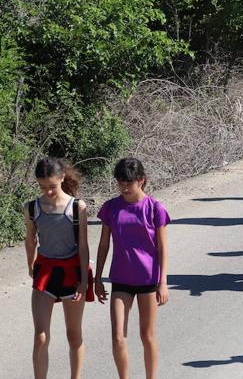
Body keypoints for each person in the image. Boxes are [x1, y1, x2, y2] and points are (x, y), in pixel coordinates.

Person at [94, 158, 171, 379]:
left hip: (148, 280)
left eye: (129, 182)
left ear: (141, 180)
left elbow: (163, 247)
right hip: (120, 279)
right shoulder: (111, 207)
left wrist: (163, 283)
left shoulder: (155, 208)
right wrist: (97, 278)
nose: (124, 187)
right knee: (118, 336)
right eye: (120, 182)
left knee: (147, 335)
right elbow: (103, 245)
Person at [25, 157, 90, 379]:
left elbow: (82, 246)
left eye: (52, 186)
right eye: (43, 187)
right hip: (45, 273)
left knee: (74, 335)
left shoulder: (77, 207)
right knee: (40, 336)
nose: (48, 191)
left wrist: (84, 280)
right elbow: (30, 238)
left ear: (62, 178)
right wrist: (30, 262)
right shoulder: (32, 207)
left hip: (72, 274)